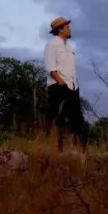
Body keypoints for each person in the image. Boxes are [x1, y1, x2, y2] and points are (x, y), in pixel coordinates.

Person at [43, 16, 88, 152]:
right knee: (58, 119)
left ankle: (81, 150)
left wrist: (74, 86)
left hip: (73, 86)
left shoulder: (69, 47)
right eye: (67, 27)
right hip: (59, 87)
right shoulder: (52, 45)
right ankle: (54, 148)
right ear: (60, 30)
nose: (69, 29)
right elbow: (50, 68)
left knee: (78, 120)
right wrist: (62, 84)